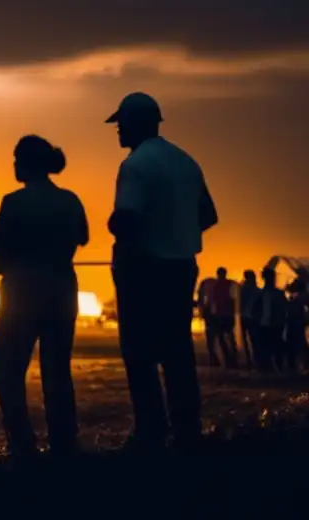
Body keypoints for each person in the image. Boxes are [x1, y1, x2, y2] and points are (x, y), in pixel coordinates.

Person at [106, 92, 218, 450]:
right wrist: (178, 231)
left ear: (137, 123)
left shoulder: (135, 165)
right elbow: (209, 215)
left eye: (121, 123)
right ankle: (187, 428)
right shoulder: (186, 161)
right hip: (182, 266)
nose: (118, 130)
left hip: (144, 268)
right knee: (177, 351)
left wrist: (119, 227)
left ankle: (150, 430)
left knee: (139, 353)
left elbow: (126, 220)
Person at [0, 136, 88, 460]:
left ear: (26, 163)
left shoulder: (13, 202)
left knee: (6, 369)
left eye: (16, 158)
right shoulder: (70, 200)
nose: (13, 164)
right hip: (61, 289)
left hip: (21, 293)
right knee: (57, 370)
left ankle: (22, 441)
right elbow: (83, 237)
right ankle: (64, 442)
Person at [207, 267, 238, 369]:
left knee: (221, 338)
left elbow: (211, 300)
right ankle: (232, 358)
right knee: (229, 337)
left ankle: (228, 358)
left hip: (219, 314)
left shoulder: (214, 286)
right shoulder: (230, 284)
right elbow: (234, 299)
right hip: (227, 314)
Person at [238, 270, 260, 370]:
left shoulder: (243, 289)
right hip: (253, 317)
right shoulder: (256, 289)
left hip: (245, 316)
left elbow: (240, 302)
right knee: (254, 339)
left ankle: (249, 360)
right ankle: (255, 359)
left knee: (246, 339)